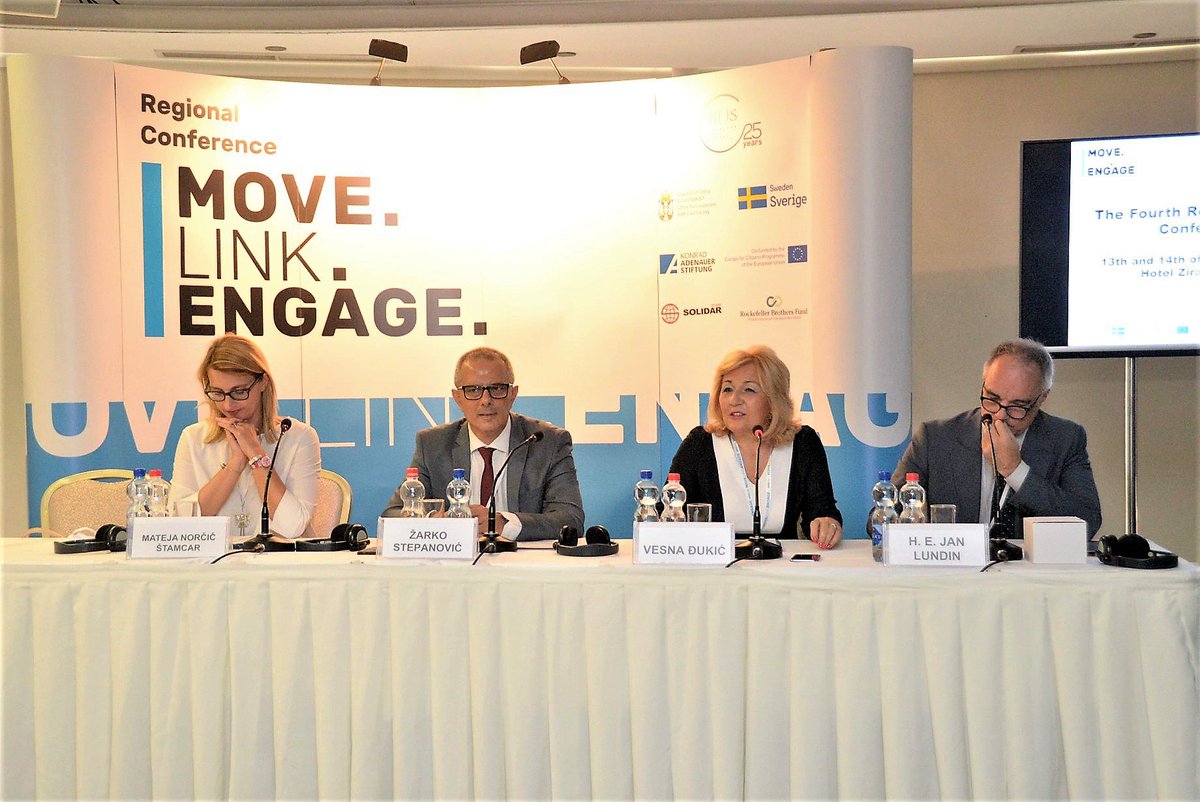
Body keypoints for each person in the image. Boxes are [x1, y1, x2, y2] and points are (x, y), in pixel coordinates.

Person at [894, 338, 1102, 538]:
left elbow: (1087, 523)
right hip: (956, 561)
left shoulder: (1066, 439)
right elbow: (887, 516)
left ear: (1042, 398)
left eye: (1018, 406)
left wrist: (1016, 471)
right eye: (992, 399)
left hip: (1032, 562)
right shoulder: (934, 439)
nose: (1000, 415)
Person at [393, 347, 584, 540]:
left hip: (523, 558)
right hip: (454, 557)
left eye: (497, 388)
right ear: (457, 398)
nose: (486, 400)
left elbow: (571, 520)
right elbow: (393, 513)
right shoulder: (433, 444)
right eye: (473, 390)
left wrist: (503, 523)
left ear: (513, 394)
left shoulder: (547, 443)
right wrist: (434, 522)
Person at [669, 345, 843, 548]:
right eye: (727, 389)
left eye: (749, 389)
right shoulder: (700, 444)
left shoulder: (803, 442)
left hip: (782, 562)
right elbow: (669, 511)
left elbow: (822, 510)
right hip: (717, 562)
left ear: (773, 399)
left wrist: (826, 524)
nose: (734, 400)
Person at [169, 334, 321, 539]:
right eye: (217, 393)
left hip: (279, 559)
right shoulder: (193, 438)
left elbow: (293, 527)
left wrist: (256, 455)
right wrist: (237, 462)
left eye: (239, 392)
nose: (228, 405)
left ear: (263, 382)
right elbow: (179, 527)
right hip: (214, 559)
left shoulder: (299, 437)